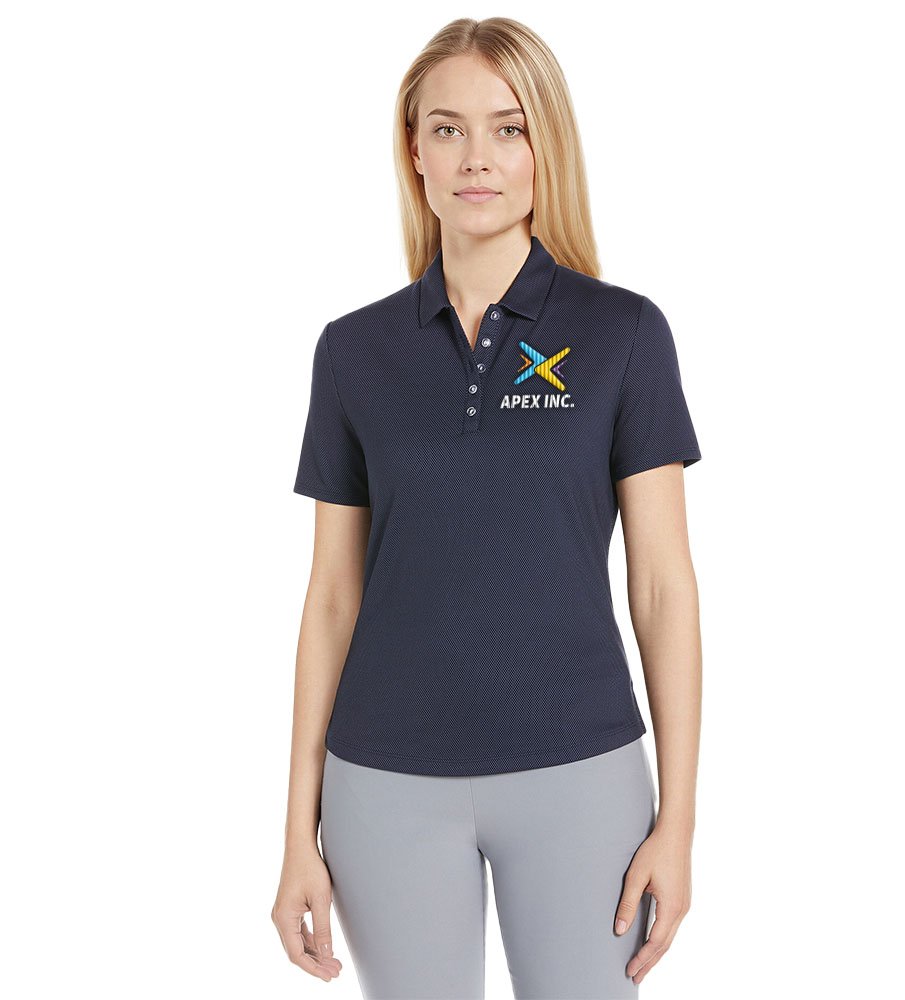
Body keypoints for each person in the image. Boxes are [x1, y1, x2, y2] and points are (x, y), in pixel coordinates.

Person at [272, 17, 703, 999]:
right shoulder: (352, 352)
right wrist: (297, 833)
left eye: (508, 129)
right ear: (413, 151)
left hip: (581, 776)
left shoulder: (626, 335)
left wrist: (677, 822)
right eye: (448, 129)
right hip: (383, 786)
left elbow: (663, 589)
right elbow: (331, 597)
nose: (477, 158)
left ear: (545, 145)